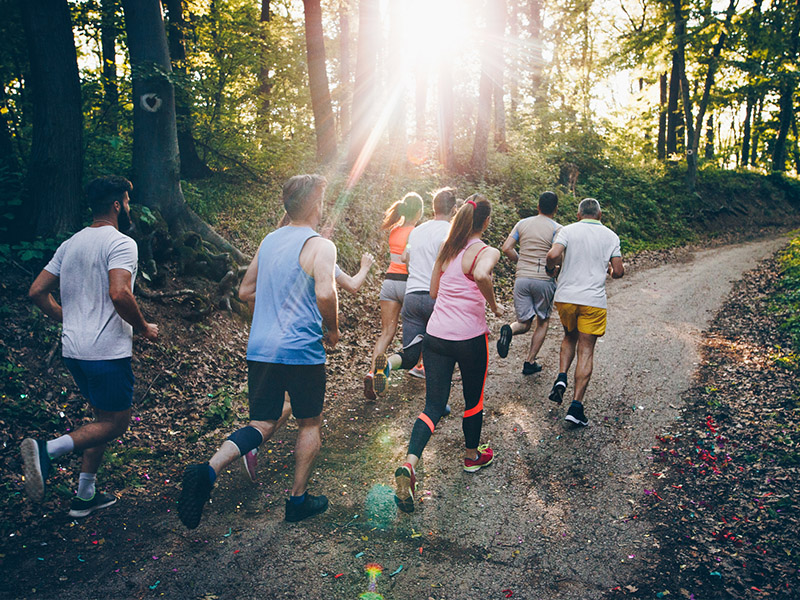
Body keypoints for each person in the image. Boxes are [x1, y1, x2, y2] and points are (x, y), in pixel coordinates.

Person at [178, 174, 339, 528]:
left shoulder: (269, 241)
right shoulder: (320, 245)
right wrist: (333, 329)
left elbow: (244, 291)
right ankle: (297, 500)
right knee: (309, 421)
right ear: (315, 204)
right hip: (301, 349)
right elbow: (326, 294)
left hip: (261, 348)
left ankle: (208, 470)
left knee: (262, 422)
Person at [21, 176, 159, 517]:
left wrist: (65, 317)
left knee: (101, 418)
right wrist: (143, 328)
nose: (128, 207)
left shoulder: (71, 244)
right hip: (105, 353)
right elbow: (119, 293)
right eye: (126, 202)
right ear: (117, 204)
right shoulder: (121, 243)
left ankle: (85, 496)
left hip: (74, 351)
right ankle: (46, 451)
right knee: (116, 423)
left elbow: (37, 291)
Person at [394, 194, 502, 514]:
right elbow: (482, 275)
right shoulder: (485, 251)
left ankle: (410, 464)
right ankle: (471, 456)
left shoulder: (447, 249)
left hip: (437, 336)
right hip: (470, 338)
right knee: (473, 399)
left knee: (433, 404)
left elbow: (434, 292)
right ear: (485, 222)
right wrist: (494, 307)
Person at [545, 197, 624, 427]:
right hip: (593, 301)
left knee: (569, 336)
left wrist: (552, 269)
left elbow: (552, 255)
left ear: (578, 215)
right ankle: (576, 407)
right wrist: (612, 270)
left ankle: (561, 377)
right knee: (586, 349)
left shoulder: (567, 230)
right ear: (600, 215)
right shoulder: (611, 236)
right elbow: (618, 271)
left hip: (566, 298)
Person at [382, 188, 457, 379]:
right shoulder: (451, 232)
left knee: (410, 355)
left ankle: (388, 364)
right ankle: (437, 394)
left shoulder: (417, 232)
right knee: (441, 350)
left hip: (412, 297)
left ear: (433, 207)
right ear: (454, 209)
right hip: (436, 298)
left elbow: (405, 257)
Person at [364, 193, 424, 400]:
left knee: (386, 332)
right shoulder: (417, 233)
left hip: (389, 283)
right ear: (418, 212)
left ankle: (372, 372)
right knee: (422, 326)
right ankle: (420, 365)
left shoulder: (394, 231)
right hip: (409, 284)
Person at [497, 191, 562, 374]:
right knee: (542, 321)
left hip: (522, 279)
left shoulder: (522, 223)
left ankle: (509, 331)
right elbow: (557, 254)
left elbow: (506, 248)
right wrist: (557, 270)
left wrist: (520, 261)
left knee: (523, 323)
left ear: (538, 206)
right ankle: (530, 362)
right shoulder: (558, 229)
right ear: (555, 209)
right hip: (543, 279)